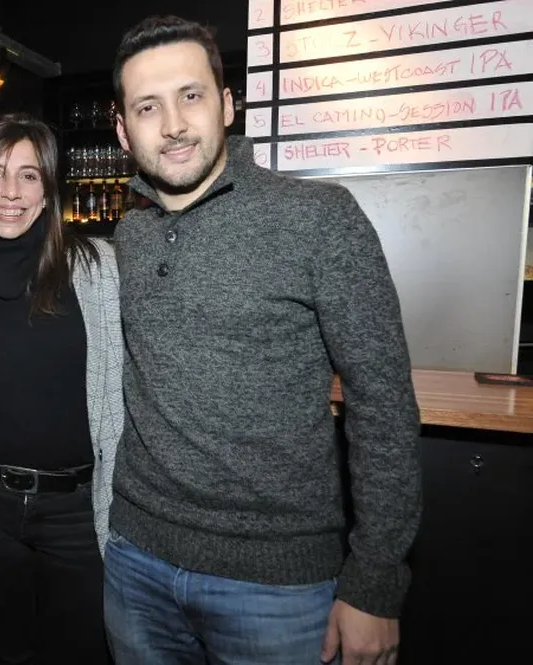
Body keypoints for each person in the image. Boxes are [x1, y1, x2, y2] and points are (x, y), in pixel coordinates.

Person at [103, 15, 422, 665]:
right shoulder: (129, 238)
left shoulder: (319, 219)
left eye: (190, 96)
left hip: (278, 584)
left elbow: (383, 405)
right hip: (136, 561)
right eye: (147, 106)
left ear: (226, 104)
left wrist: (376, 584)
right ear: (122, 128)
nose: (172, 124)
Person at [0, 113, 123, 665]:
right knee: (4, 649)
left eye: (29, 176)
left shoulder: (98, 269)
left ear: (49, 189)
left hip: (77, 510)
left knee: (81, 651)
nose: (10, 192)